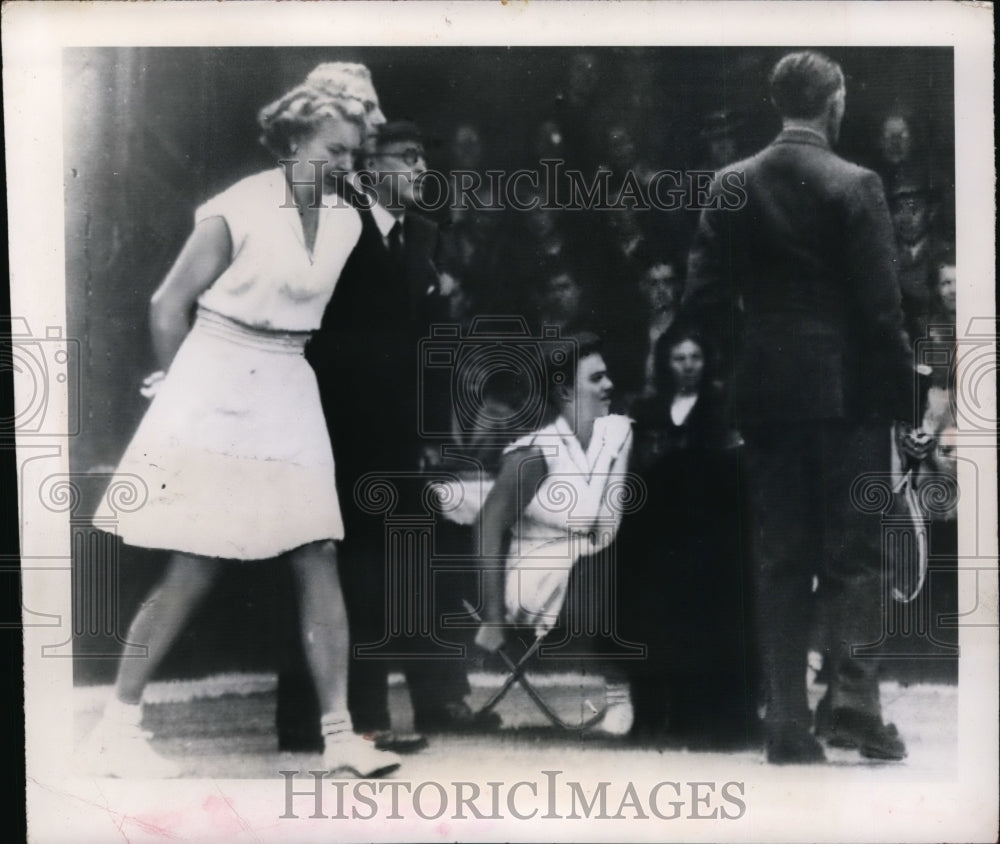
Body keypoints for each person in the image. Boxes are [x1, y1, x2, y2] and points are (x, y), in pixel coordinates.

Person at [83, 65, 401, 779]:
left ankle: (339, 735)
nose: (343, 168)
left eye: (353, 156)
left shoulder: (350, 220)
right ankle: (115, 725)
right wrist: (177, 393)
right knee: (195, 561)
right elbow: (168, 304)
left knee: (316, 549)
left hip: (288, 384)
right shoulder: (237, 208)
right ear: (292, 144)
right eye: (331, 155)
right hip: (215, 375)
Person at [685, 51, 918, 764]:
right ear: (834, 104)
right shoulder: (857, 183)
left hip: (767, 392)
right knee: (858, 555)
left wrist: (750, 358)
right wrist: (900, 400)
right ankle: (852, 704)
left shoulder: (731, 183)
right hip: (847, 394)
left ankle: (786, 720)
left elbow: (703, 302)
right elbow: (882, 311)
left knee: (781, 557)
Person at [276, 119, 493, 755]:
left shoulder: (421, 237)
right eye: (407, 157)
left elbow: (432, 343)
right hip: (336, 425)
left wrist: (427, 428)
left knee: (378, 570)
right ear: (370, 166)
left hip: (395, 434)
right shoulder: (338, 226)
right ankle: (316, 721)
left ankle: (363, 715)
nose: (420, 169)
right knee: (330, 566)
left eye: (424, 157)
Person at [474, 332, 636, 734]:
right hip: (538, 576)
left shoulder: (618, 435)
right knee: (611, 567)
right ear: (564, 390)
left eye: (607, 376)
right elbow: (488, 528)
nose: (609, 385)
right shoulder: (533, 453)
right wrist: (493, 617)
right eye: (596, 379)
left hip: (596, 561)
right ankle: (619, 696)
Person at [617, 326, 758, 748]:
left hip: (708, 531)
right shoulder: (647, 409)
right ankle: (653, 716)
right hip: (658, 532)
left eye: (695, 357)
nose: (687, 367)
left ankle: (706, 718)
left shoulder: (721, 406)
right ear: (665, 363)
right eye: (679, 359)